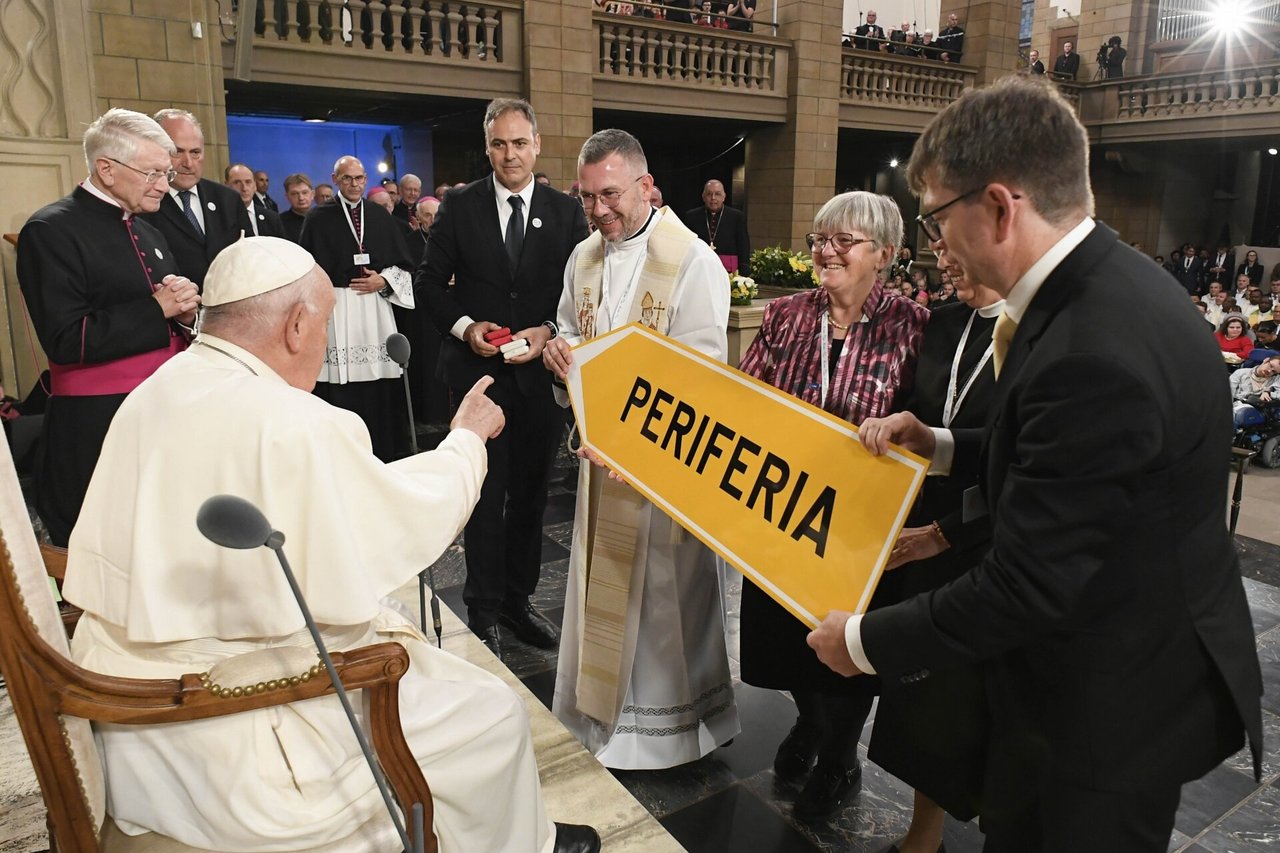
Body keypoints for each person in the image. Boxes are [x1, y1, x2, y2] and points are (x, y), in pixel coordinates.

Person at [815, 76, 1262, 852]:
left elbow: (1028, 582)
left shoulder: (1091, 348)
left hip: (1104, 709)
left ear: (998, 205)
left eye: (935, 216)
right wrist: (945, 441)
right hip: (1099, 669)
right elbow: (1067, 457)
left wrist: (860, 643)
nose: (935, 244)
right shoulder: (1108, 288)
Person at [61, 236, 600, 853]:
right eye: (325, 325)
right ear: (295, 325)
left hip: (133, 708)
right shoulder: (298, 422)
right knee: (492, 713)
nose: (326, 345)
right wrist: (466, 442)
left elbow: (342, 500)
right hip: (231, 722)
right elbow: (397, 523)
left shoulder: (158, 388)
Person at [541, 129, 740, 769]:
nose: (599, 211)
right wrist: (559, 355)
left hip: (665, 469)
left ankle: (675, 729)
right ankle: (603, 715)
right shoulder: (583, 259)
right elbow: (572, 328)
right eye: (586, 198)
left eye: (610, 195)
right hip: (601, 463)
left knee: (663, 602)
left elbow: (705, 372)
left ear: (646, 186)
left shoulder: (691, 261)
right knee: (603, 587)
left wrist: (642, 437)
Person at [736, 191, 928, 821]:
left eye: (844, 241)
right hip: (781, 508)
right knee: (783, 642)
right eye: (820, 238)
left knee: (845, 650)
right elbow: (742, 397)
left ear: (887, 254)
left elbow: (928, 426)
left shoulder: (915, 326)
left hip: (860, 528)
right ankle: (811, 723)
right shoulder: (787, 314)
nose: (826, 251)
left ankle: (841, 755)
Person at [416, 98, 589, 659]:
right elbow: (428, 284)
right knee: (486, 500)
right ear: (487, 147)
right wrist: (466, 329)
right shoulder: (460, 205)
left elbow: (580, 295)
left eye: (519, 143)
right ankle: (483, 610)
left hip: (540, 380)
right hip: (479, 382)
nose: (509, 154)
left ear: (537, 145)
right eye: (499, 143)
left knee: (534, 499)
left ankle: (519, 602)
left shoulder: (566, 212)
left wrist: (545, 329)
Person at [16, 107, 199, 546]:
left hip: (163, 410)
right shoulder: (50, 230)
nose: (163, 185)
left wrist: (188, 314)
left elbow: (167, 318)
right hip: (97, 424)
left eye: (167, 173)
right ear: (106, 169)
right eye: (153, 173)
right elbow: (65, 339)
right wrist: (157, 309)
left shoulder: (149, 231)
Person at [871, 258, 1003, 853]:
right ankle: (923, 836)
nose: (944, 261)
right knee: (929, 698)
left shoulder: (1038, 333)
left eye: (954, 243)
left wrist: (945, 531)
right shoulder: (943, 321)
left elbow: (1023, 463)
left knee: (992, 706)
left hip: (992, 539)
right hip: (921, 528)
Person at [300, 155, 416, 462]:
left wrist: (384, 280)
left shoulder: (379, 216)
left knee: (379, 389)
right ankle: (340, 456)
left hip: (375, 310)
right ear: (335, 179)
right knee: (340, 385)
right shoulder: (318, 218)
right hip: (338, 307)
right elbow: (306, 269)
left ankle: (383, 453)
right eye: (348, 178)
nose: (355, 184)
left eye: (360, 178)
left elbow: (406, 266)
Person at [140, 109, 251, 287]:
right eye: (177, 151)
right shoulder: (143, 204)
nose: (188, 163)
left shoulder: (227, 199)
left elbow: (250, 258)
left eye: (195, 152)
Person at [683, 179, 751, 274]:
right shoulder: (691, 216)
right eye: (709, 194)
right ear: (703, 197)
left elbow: (743, 245)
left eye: (717, 194)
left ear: (724, 197)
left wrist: (744, 272)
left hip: (728, 271)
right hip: (700, 269)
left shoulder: (737, 217)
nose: (713, 198)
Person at [226, 162, 284, 238]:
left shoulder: (272, 218)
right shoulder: (218, 217)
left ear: (255, 186)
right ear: (226, 186)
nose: (244, 188)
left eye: (248, 182)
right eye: (237, 182)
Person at [1230, 354, 1280, 428]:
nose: (1269, 371)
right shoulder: (1240, 373)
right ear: (1266, 360)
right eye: (1270, 366)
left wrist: (1268, 392)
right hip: (1234, 408)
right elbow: (1227, 395)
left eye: (1273, 372)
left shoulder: (1276, 379)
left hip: (1254, 414)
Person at [278, 172, 314, 243]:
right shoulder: (279, 222)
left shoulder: (323, 219)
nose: (301, 198)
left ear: (312, 194)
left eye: (304, 192)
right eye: (294, 194)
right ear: (287, 196)